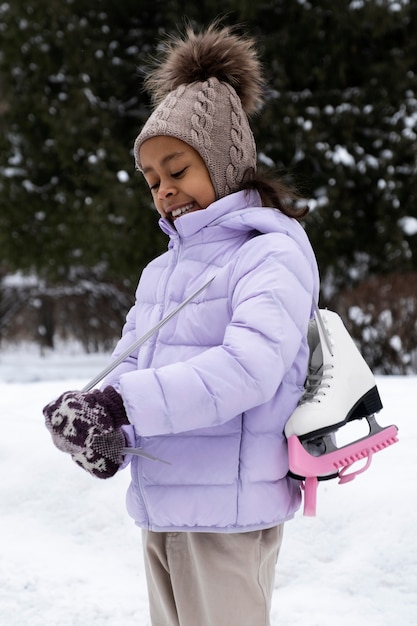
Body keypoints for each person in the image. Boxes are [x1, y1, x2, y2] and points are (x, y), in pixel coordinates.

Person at [43, 22, 320, 626]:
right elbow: (132, 368)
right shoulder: (160, 272)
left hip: (231, 513)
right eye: (153, 181)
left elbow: (247, 371)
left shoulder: (268, 253)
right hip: (164, 506)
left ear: (223, 162)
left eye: (178, 170)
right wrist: (104, 433)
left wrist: (120, 405)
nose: (165, 190)